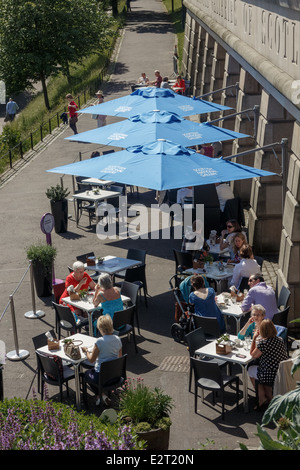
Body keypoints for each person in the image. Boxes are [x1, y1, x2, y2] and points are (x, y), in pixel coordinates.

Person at [82, 314, 122, 406]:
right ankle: (101, 396)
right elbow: (119, 357)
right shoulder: (118, 339)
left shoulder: (100, 341)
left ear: (100, 328)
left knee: (86, 374)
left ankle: (100, 395)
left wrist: (86, 351)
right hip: (115, 376)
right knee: (93, 372)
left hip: (102, 378)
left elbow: (91, 360)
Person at [248, 319, 288, 410]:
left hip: (269, 373)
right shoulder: (280, 339)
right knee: (256, 369)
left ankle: (262, 398)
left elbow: (253, 354)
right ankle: (264, 397)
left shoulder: (263, 343)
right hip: (280, 370)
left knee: (250, 369)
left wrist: (254, 338)